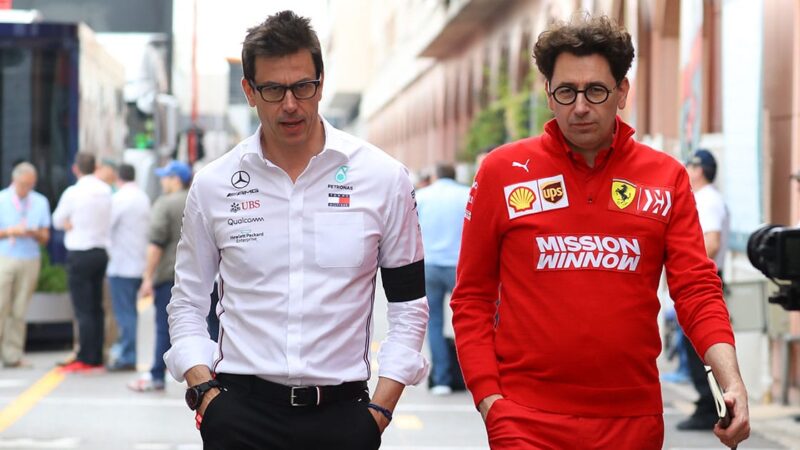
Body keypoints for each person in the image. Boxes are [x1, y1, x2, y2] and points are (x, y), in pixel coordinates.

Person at [450, 15, 750, 450]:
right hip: (524, 421)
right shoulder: (502, 171)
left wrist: (732, 380)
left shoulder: (666, 177)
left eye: (596, 90)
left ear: (622, 91)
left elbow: (696, 290)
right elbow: (472, 297)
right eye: (566, 91)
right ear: (549, 95)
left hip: (632, 422)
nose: (580, 107)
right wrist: (489, 400)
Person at [163, 11, 429, 449]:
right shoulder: (214, 184)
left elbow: (408, 305)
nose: (290, 104)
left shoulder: (383, 177)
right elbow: (187, 302)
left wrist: (379, 412)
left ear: (321, 83)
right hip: (239, 415)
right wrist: (204, 394)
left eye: (303, 87)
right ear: (249, 91)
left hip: (343, 418)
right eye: (273, 89)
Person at [674, 148, 731, 430]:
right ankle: (708, 404)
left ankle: (710, 407)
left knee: (701, 348)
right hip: (706, 276)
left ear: (699, 170)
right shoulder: (707, 198)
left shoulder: (707, 200)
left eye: (690, 165)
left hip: (702, 279)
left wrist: (684, 266)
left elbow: (711, 243)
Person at [128, 160, 191, 391]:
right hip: (200, 276)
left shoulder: (165, 204)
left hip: (169, 274)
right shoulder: (197, 198)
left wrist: (147, 277)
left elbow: (155, 244)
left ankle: (156, 375)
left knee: (165, 326)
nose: (162, 181)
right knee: (203, 326)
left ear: (175, 179)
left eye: (165, 177)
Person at [52, 152, 113, 372]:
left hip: (80, 252)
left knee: (83, 309)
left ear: (75, 169)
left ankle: (86, 357)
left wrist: (70, 223)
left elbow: (58, 220)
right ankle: (96, 355)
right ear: (95, 167)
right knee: (96, 307)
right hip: (100, 252)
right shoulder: (106, 190)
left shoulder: (73, 192)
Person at [415, 162, 469, 395]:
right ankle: (471, 376)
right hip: (460, 266)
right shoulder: (466, 194)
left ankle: (442, 379)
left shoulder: (422, 195)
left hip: (430, 265)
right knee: (468, 322)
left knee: (433, 322)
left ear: (435, 176)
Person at [0, 162, 51, 368]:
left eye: (30, 185)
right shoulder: (2, 199)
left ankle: (13, 354)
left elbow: (45, 236)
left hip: (30, 258)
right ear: (15, 181)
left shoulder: (40, 202)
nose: (27, 188)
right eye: (23, 184)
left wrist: (33, 232)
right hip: (5, 256)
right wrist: (10, 232)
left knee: (20, 310)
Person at [107, 163, 151, 372]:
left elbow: (107, 226)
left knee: (124, 314)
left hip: (121, 264)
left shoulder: (119, 199)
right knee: (130, 312)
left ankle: (127, 356)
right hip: (138, 263)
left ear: (119, 177)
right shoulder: (143, 198)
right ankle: (128, 353)